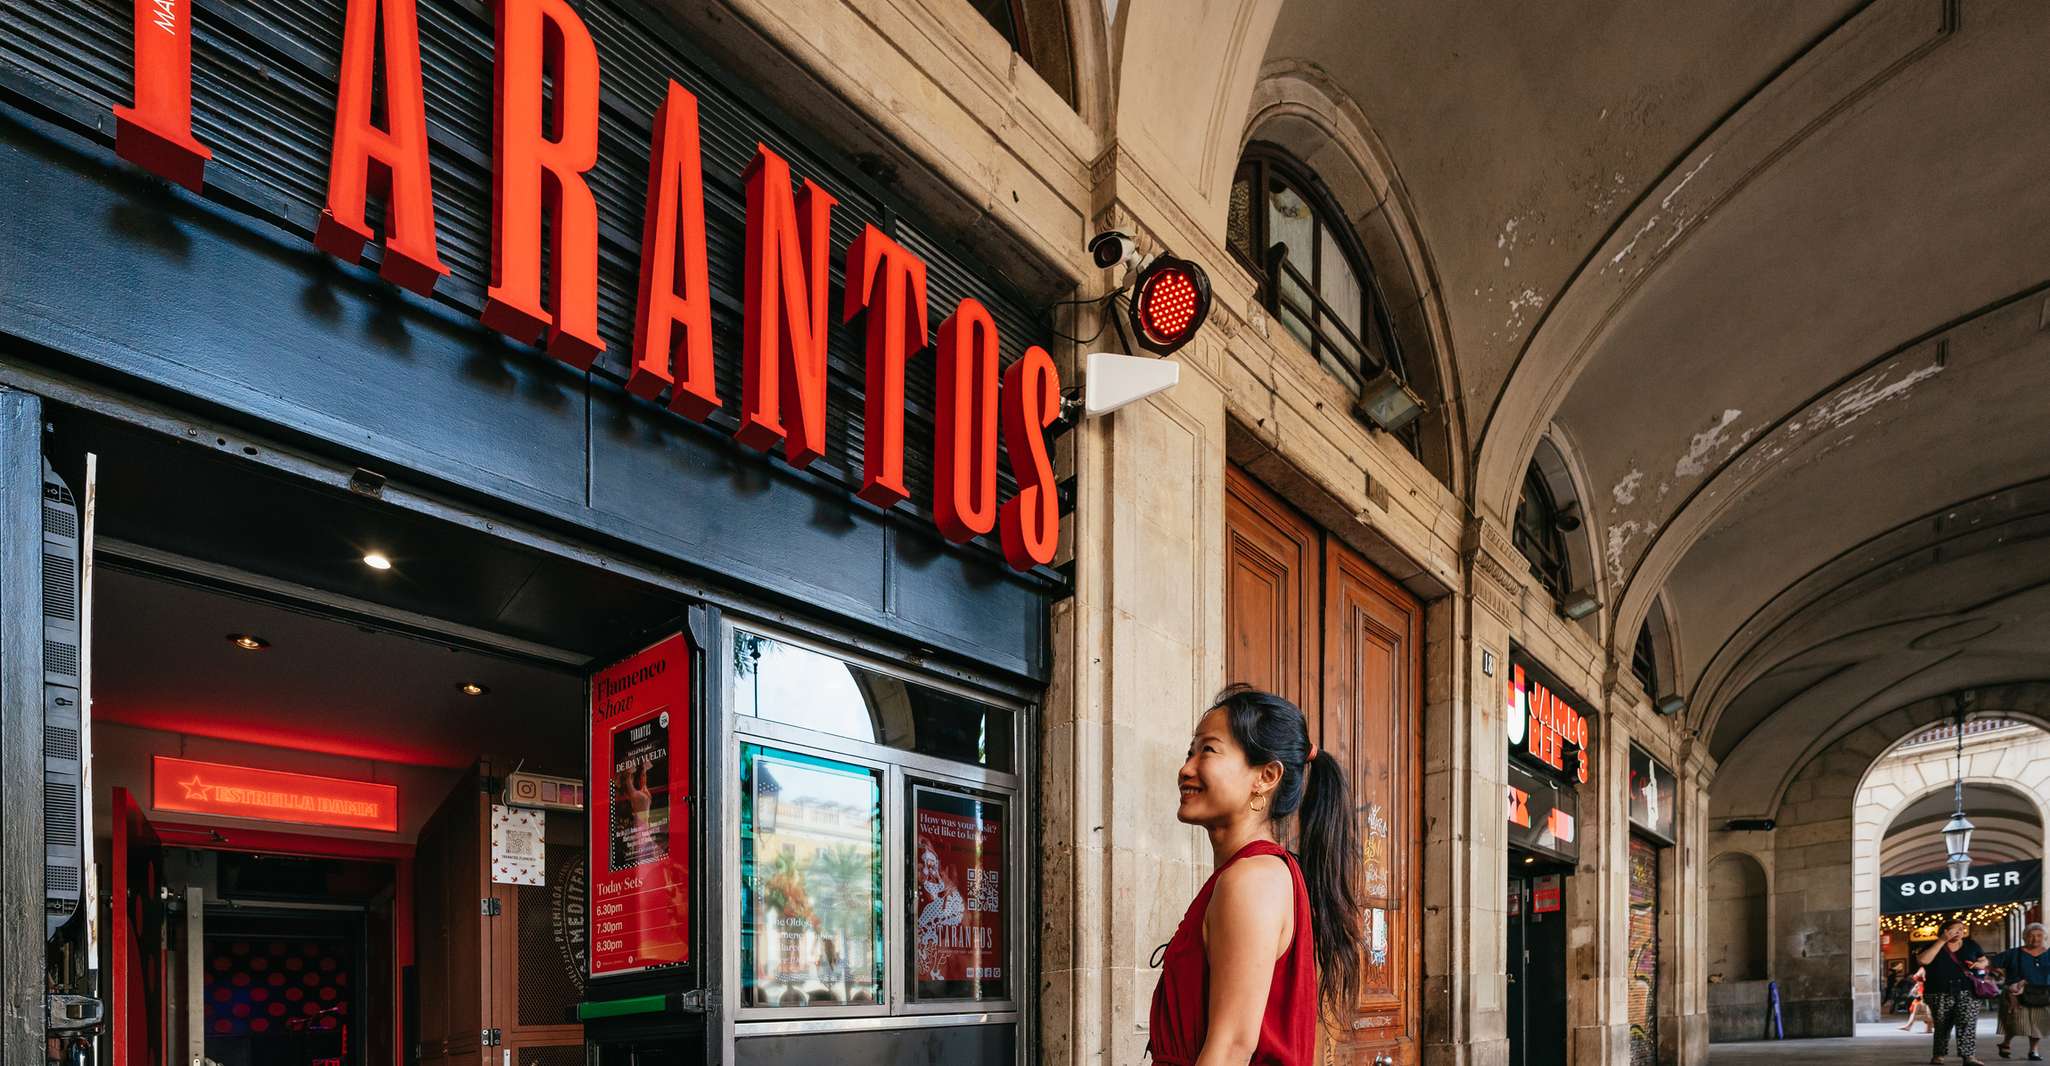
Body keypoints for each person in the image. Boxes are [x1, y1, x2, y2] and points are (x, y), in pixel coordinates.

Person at [1147, 687, 1364, 1065]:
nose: (1186, 768)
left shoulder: (1252, 880)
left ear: (1265, 776)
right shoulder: (1259, 873)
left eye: (1208, 750)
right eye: (1190, 752)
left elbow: (1230, 1050)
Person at [1917, 919, 1992, 1065]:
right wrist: (1941, 941)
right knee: (1942, 1024)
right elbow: (1924, 961)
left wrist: (1979, 964)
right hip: (1939, 991)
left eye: (1961, 929)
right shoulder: (1930, 945)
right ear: (1944, 931)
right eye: (1954, 929)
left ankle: (1968, 1056)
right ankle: (1939, 1054)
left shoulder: (1971, 945)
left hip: (1968, 990)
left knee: (1967, 1022)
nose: (1959, 932)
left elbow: (1985, 961)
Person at [1995, 922, 2050, 1060]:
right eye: (2031, 936)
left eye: (2039, 936)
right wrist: (2002, 976)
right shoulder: (2013, 953)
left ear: (2045, 937)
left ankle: (2033, 1051)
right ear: (2024, 937)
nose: (2035, 939)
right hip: (2016, 994)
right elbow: (1991, 963)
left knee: (2039, 1022)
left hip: (2043, 994)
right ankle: (2006, 1043)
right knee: (2016, 1022)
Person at [1902, 966, 1935, 1033]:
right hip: (1921, 989)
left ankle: (1909, 1026)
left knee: (1923, 1009)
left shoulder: (1926, 968)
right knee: (1922, 1009)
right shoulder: (1923, 968)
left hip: (1925, 990)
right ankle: (1928, 1028)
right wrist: (1917, 985)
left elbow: (1927, 980)